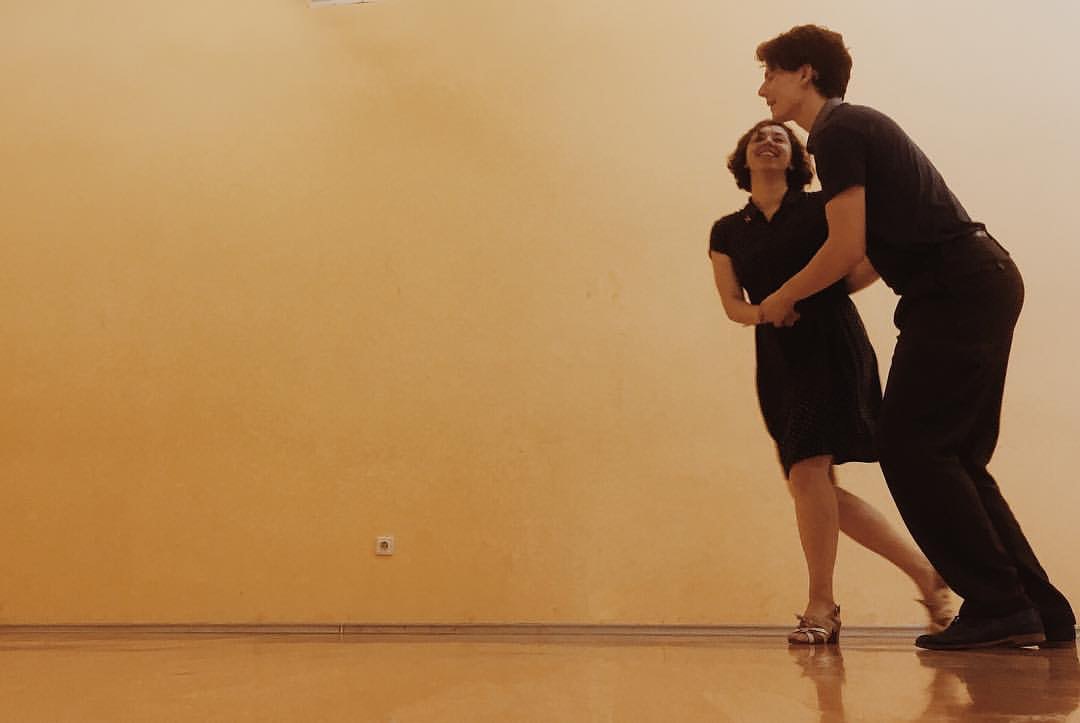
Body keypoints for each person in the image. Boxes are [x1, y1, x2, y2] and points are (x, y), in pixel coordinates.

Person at [753, 24, 1075, 650]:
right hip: (974, 282)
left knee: (910, 448)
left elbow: (845, 246)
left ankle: (1000, 604)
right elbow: (869, 252)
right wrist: (808, 298)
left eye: (770, 74)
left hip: (956, 290)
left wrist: (783, 297)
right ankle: (1035, 609)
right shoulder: (855, 129)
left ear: (805, 73)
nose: (762, 90)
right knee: (952, 456)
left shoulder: (838, 130)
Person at [709, 119, 953, 645]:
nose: (769, 141)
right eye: (758, 137)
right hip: (776, 356)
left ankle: (821, 605)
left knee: (808, 472)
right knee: (812, 487)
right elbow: (732, 304)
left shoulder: (821, 207)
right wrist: (768, 313)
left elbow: (864, 258)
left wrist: (811, 295)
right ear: (744, 157)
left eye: (780, 137)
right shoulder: (727, 231)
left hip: (830, 344)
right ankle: (927, 575)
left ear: (796, 158)